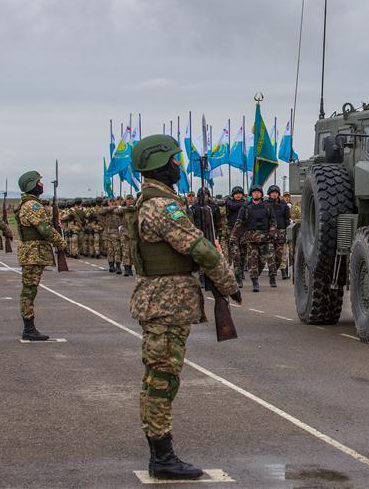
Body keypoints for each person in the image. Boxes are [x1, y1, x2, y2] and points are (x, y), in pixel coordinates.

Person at [129, 135, 240, 480]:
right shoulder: (163, 207)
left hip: (164, 299)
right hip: (166, 301)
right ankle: (162, 457)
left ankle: (161, 451)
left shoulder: (157, 201)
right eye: (175, 159)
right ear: (160, 164)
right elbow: (201, 250)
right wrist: (227, 283)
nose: (179, 165)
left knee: (161, 376)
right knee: (162, 377)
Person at [15, 170, 68, 341]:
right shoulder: (32, 205)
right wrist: (61, 242)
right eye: (39, 182)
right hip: (33, 252)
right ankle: (28, 329)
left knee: (30, 290)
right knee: (29, 291)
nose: (42, 184)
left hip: (32, 251)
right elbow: (44, 229)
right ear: (32, 184)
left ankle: (29, 327)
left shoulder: (30, 203)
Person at [232, 185, 276, 292]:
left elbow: (273, 221)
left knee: (263, 260)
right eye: (254, 192)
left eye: (258, 192)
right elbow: (239, 223)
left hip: (265, 237)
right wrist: (233, 236)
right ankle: (255, 282)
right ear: (251, 194)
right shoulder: (246, 207)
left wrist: (272, 232)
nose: (256, 194)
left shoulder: (267, 206)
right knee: (252, 261)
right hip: (251, 239)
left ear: (261, 194)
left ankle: (269, 276)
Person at [266, 185, 290, 283]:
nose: (274, 194)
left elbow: (287, 219)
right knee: (270, 254)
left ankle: (274, 270)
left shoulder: (284, 205)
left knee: (279, 255)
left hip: (281, 231)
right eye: (272, 193)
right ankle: (272, 274)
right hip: (269, 231)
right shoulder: (265, 204)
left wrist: (287, 231)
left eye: (276, 193)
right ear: (269, 194)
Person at [224, 186, 247, 286]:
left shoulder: (246, 204)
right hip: (232, 231)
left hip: (243, 231)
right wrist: (244, 203)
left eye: (240, 193)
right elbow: (233, 206)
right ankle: (238, 278)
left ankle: (240, 272)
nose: (238, 195)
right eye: (236, 193)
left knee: (243, 255)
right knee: (236, 255)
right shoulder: (229, 202)